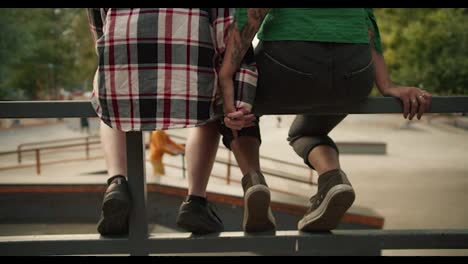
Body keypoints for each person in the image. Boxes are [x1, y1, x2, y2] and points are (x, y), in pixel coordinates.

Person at [218, 8, 433, 232]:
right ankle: (332, 179)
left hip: (287, 66)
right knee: (308, 132)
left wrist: (226, 74)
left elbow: (253, 13)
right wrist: (387, 85)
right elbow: (367, 22)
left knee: (236, 112)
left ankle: (254, 182)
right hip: (354, 74)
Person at [87, 8, 275, 236]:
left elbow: (99, 27)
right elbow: (223, 24)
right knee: (210, 107)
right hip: (191, 62)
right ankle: (195, 200)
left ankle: (116, 182)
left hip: (123, 62)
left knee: (109, 103)